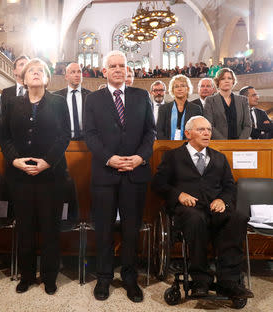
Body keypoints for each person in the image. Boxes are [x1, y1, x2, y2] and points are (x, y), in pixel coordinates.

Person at [152, 116, 254, 300]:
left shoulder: (219, 158)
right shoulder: (173, 156)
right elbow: (158, 183)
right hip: (187, 209)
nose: (207, 133)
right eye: (201, 129)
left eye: (208, 129)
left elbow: (230, 186)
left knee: (238, 217)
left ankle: (229, 281)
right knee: (195, 218)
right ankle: (200, 279)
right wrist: (179, 195)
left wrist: (223, 200)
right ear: (188, 133)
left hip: (215, 208)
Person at [84, 50, 155, 302]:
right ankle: (103, 277)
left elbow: (151, 133)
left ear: (127, 70)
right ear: (104, 71)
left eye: (121, 66)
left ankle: (129, 278)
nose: (117, 69)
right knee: (103, 228)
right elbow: (89, 134)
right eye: (112, 66)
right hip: (105, 172)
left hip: (135, 172)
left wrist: (139, 158)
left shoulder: (142, 95)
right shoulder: (93, 99)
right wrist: (109, 158)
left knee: (131, 229)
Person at [0, 58, 70, 295]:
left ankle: (49, 276)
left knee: (51, 227)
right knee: (25, 227)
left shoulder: (59, 102)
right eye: (32, 71)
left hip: (51, 175)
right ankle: (27, 275)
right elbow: (4, 137)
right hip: (20, 175)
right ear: (23, 78)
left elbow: (64, 136)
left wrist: (47, 162)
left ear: (48, 79)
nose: (36, 73)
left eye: (41, 71)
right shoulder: (11, 103)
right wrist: (15, 160)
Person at [203, 68, 251, 139]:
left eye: (229, 78)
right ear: (218, 82)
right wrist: (225, 143)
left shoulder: (243, 100)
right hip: (219, 144)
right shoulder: (210, 100)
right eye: (223, 78)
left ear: (233, 81)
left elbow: (247, 125)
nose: (227, 81)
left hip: (240, 144)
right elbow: (209, 125)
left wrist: (240, 142)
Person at [157, 74, 202, 140]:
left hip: (189, 145)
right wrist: (167, 146)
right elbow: (159, 131)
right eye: (176, 86)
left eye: (182, 86)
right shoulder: (163, 108)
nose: (179, 89)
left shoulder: (196, 109)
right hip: (167, 146)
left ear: (188, 89)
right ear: (172, 90)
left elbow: (198, 131)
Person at [54, 62, 91, 140]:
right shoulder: (56, 97)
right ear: (66, 76)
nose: (77, 75)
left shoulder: (91, 96)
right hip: (64, 142)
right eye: (73, 72)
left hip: (86, 142)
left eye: (79, 72)